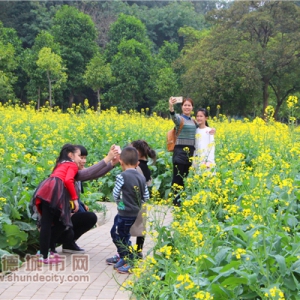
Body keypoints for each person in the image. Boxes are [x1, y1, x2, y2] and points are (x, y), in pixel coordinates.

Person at [57, 145, 120, 253]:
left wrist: (112, 164)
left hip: (68, 211)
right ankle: (60, 241)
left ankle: (68, 242)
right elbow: (88, 173)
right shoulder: (66, 169)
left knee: (87, 215)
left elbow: (92, 174)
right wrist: (108, 158)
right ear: (71, 156)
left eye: (85, 157)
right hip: (58, 215)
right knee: (88, 216)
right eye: (80, 157)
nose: (83, 161)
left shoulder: (71, 169)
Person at [31, 144, 81, 264]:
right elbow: (68, 180)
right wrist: (75, 199)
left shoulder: (60, 163)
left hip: (44, 189)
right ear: (71, 155)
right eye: (79, 155)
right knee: (59, 221)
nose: (80, 159)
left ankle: (44, 252)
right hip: (55, 191)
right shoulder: (72, 164)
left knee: (48, 223)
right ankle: (45, 255)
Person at [106, 146, 150, 274]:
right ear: (137, 163)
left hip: (124, 213)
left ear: (121, 162)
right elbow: (146, 196)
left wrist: (120, 204)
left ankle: (130, 260)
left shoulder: (122, 176)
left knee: (120, 235)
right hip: (134, 214)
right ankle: (124, 257)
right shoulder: (141, 177)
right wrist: (137, 205)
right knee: (120, 233)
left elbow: (115, 193)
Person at [169, 97, 215, 206]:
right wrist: (171, 106)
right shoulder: (180, 119)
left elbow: (203, 129)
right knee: (177, 178)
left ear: (192, 107)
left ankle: (181, 201)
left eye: (189, 105)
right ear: (182, 107)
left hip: (190, 153)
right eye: (185, 105)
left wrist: (212, 130)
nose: (187, 107)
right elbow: (173, 116)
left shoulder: (194, 121)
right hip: (180, 151)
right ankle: (175, 202)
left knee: (185, 178)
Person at [131, 139, 156, 258]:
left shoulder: (137, 166)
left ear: (138, 152)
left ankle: (124, 252)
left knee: (125, 227)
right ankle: (138, 251)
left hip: (133, 201)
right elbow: (149, 183)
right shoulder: (146, 166)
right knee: (141, 227)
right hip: (143, 201)